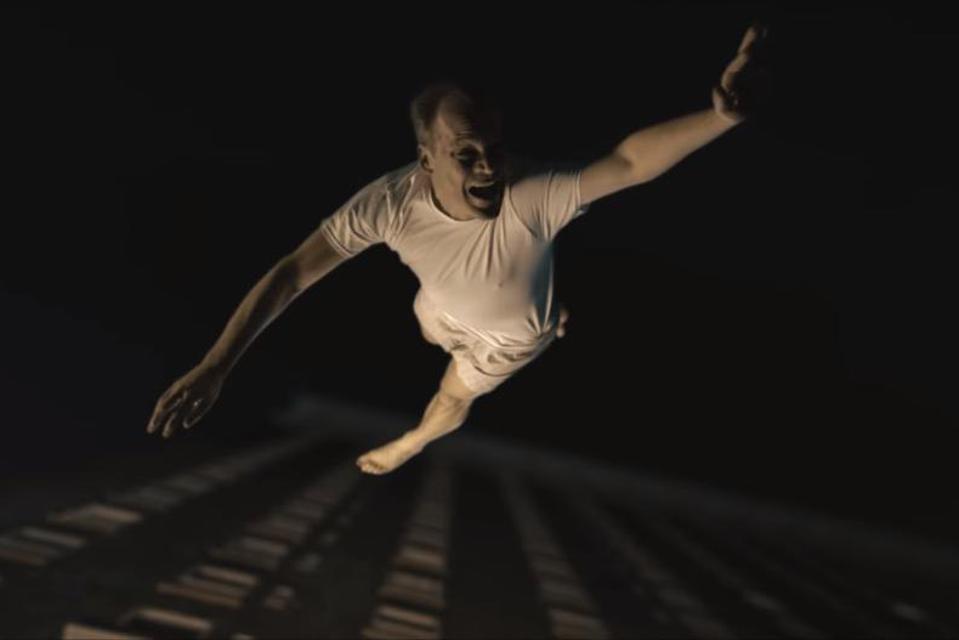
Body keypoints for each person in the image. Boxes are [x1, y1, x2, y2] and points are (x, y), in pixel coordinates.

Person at [147, 24, 768, 475]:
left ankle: (415, 439)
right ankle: (541, 310)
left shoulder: (530, 194)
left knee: (451, 395)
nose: (488, 167)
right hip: (439, 308)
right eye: (466, 154)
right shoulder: (389, 203)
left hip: (508, 339)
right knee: (428, 323)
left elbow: (629, 163)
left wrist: (718, 119)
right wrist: (216, 365)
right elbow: (291, 275)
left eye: (494, 149)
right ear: (426, 160)